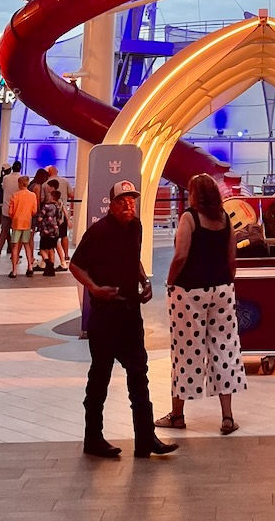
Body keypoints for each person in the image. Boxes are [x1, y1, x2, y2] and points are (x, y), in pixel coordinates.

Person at [70, 179, 176, 460]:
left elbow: (134, 258)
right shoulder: (99, 232)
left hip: (130, 313)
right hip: (105, 316)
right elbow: (75, 265)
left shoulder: (136, 227)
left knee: (139, 376)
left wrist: (144, 280)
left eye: (133, 201)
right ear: (112, 204)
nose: (129, 205)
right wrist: (94, 288)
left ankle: (145, 438)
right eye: (123, 201)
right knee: (100, 377)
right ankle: (92, 438)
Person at [155, 173, 245, 435]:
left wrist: (171, 281)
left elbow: (181, 255)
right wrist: (227, 281)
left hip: (189, 291)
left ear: (195, 194)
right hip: (222, 290)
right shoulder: (225, 219)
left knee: (186, 350)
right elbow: (232, 258)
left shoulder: (189, 219)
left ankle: (177, 414)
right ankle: (227, 417)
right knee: (224, 349)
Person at [8, 175, 38, 278]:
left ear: (19, 184)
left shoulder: (15, 195)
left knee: (15, 246)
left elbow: (10, 212)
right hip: (27, 222)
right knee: (27, 245)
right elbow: (34, 211)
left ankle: (14, 270)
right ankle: (30, 267)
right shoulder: (32, 195)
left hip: (16, 223)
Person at [44, 165, 74, 268]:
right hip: (61, 216)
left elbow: (42, 199)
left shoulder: (45, 183)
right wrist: (69, 219)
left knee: (51, 240)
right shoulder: (65, 181)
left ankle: (49, 261)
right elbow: (71, 194)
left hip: (50, 218)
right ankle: (65, 256)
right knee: (63, 235)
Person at [0, 161, 21, 259]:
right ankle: (14, 254)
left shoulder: (5, 179)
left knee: (3, 231)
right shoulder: (21, 178)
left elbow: (3, 188)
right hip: (17, 210)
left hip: (6, 209)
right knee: (16, 233)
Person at [37, 181, 62, 276]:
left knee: (42, 249)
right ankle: (51, 270)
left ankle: (48, 264)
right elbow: (59, 219)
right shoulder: (58, 206)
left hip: (46, 230)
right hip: (55, 231)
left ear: (52, 197)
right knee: (51, 248)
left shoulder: (46, 206)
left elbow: (40, 217)